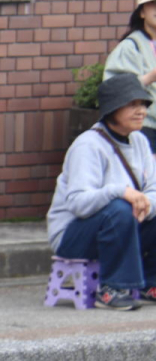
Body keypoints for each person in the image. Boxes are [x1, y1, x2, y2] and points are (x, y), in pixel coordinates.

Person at [47, 73, 156, 310]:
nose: (141, 111)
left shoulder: (139, 141)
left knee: (141, 208)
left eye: (143, 104)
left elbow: (153, 189)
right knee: (119, 207)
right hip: (72, 235)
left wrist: (146, 204)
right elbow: (77, 203)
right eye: (132, 104)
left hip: (121, 226)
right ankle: (112, 289)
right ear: (112, 109)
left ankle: (150, 283)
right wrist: (120, 191)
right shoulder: (88, 145)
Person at [103, 0, 156, 148]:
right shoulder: (130, 47)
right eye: (153, 4)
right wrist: (150, 77)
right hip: (144, 129)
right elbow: (115, 90)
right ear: (141, 12)